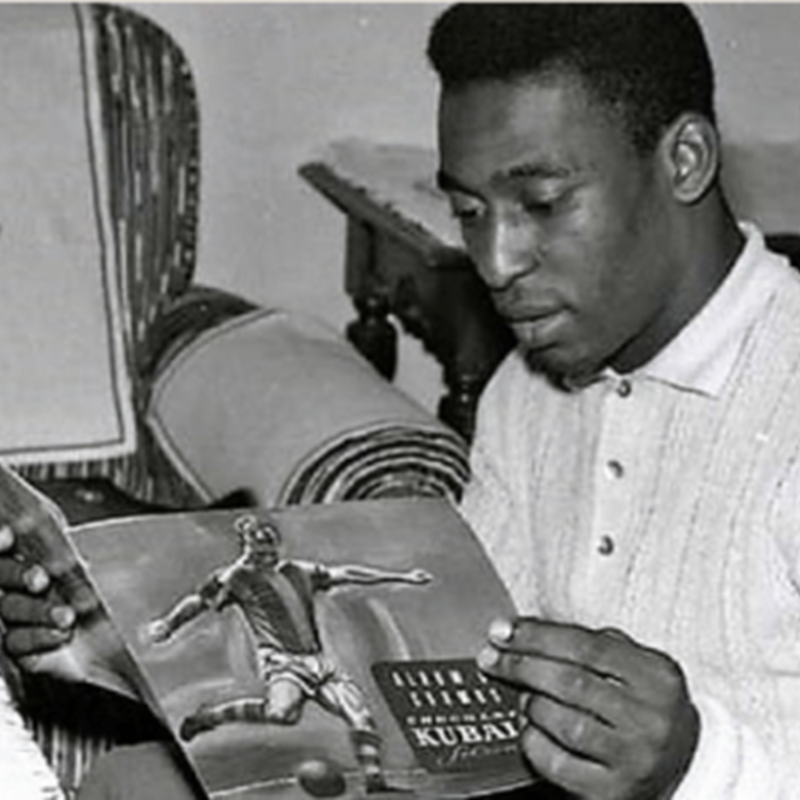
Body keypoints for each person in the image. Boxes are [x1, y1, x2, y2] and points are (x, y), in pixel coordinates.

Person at [0, 3, 798, 798]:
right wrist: (121, 633)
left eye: (542, 203)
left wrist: (694, 766)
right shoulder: (529, 391)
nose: (496, 262)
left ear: (685, 160)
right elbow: (459, 692)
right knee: (132, 784)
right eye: (470, 212)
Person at [142, 512, 431, 793]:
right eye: (259, 553)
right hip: (282, 663)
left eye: (271, 551)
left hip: (318, 661)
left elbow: (346, 573)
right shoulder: (236, 578)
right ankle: (209, 717)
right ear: (247, 550)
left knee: (360, 715)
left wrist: (401, 576)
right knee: (282, 714)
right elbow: (199, 601)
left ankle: (375, 783)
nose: (267, 558)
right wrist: (169, 624)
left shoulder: (298, 571)